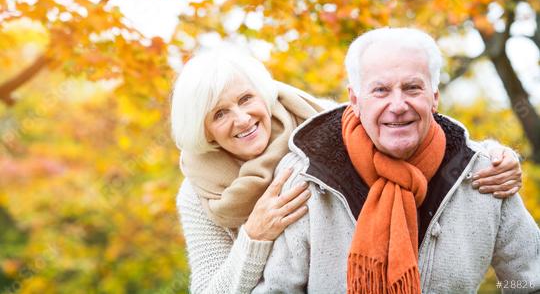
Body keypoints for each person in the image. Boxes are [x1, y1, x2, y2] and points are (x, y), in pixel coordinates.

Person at [171, 48, 524, 294]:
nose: (242, 119)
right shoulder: (200, 191)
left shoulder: (322, 126)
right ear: (202, 130)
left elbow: (401, 125)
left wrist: (491, 154)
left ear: (264, 94)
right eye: (220, 114)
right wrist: (253, 236)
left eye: (246, 99)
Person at [252, 28, 540, 293]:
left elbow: (529, 280)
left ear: (434, 97)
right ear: (355, 99)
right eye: (381, 90)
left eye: (413, 88)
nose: (398, 106)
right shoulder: (306, 178)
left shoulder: (483, 174)